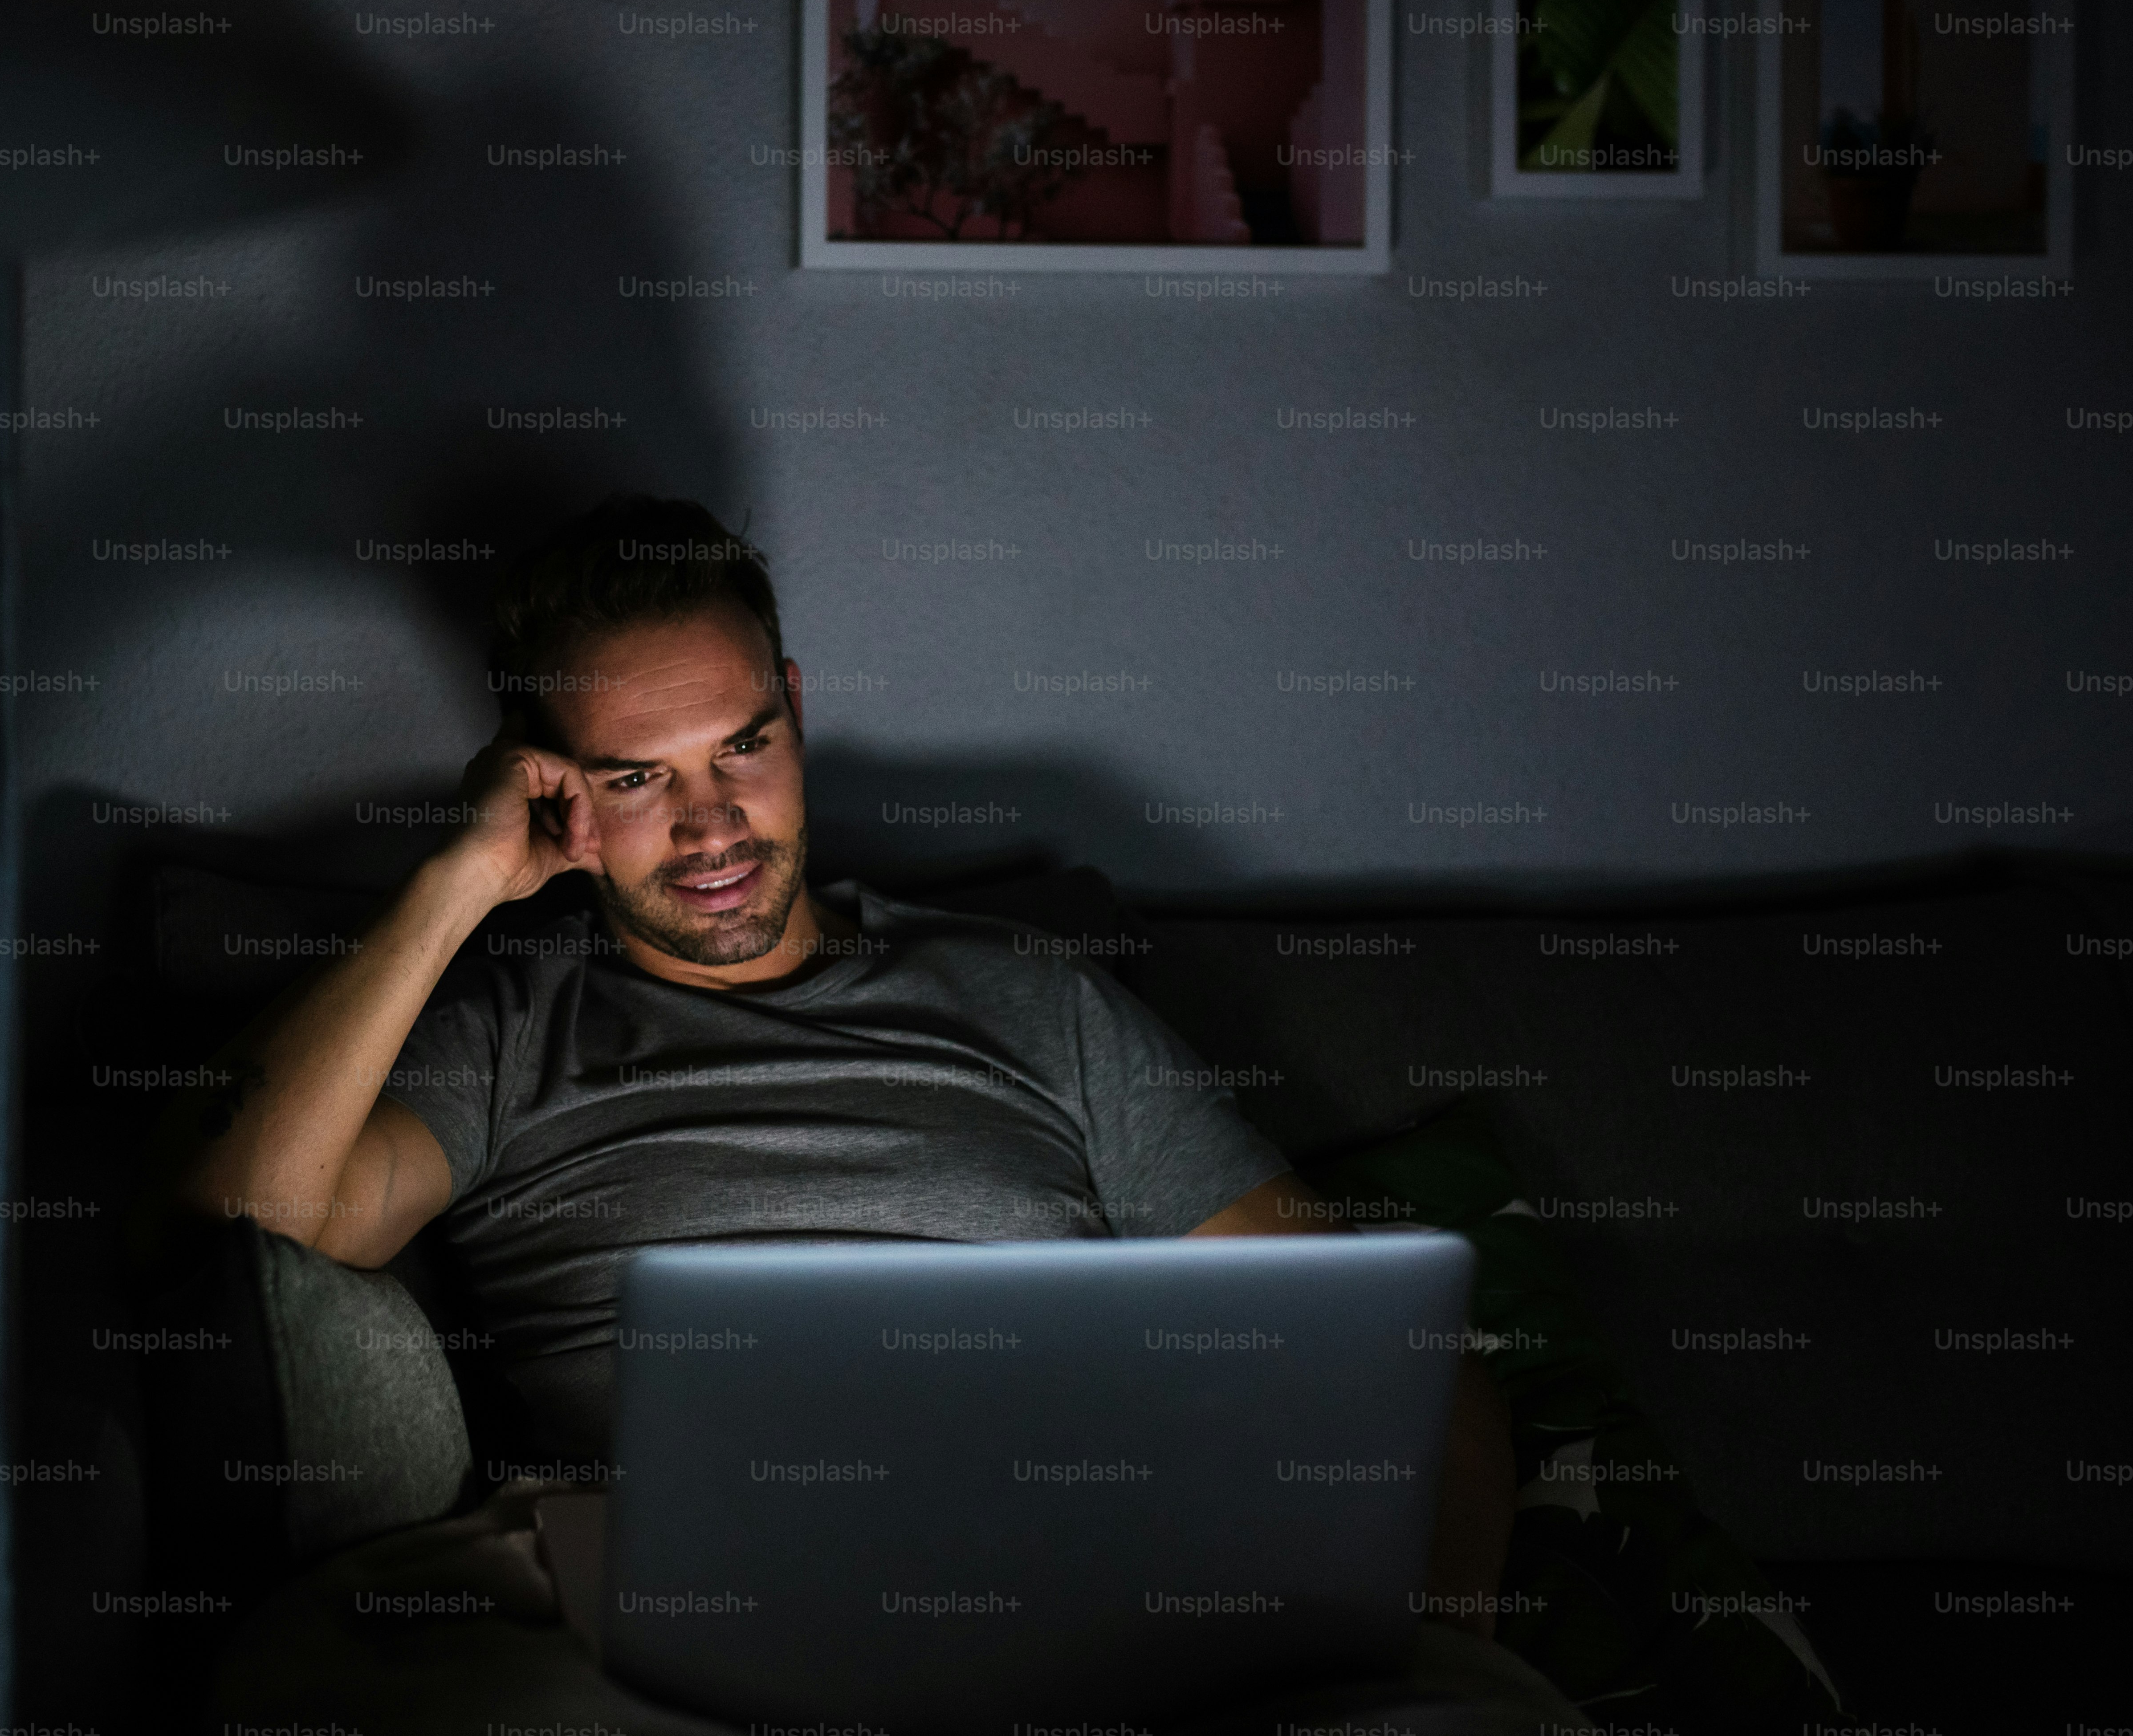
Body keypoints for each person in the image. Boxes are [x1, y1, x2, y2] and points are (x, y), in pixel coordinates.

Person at [163, 494, 1589, 1732]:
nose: (713, 822)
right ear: (551, 795)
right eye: (636, 777)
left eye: (743, 745)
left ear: (795, 702)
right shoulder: (507, 1024)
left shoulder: (1031, 1000)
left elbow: (1396, 1357)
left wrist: (1425, 1636)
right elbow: (243, 1221)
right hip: (665, 1614)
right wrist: (459, 882)